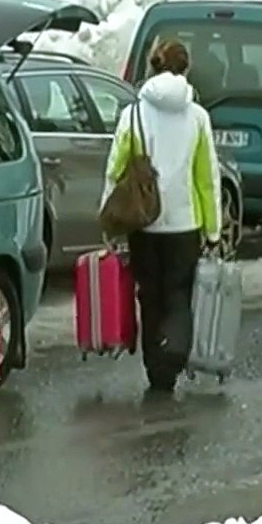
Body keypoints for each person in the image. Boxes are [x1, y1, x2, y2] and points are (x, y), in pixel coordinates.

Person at [102, 39, 220, 396]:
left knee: (149, 295)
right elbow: (207, 178)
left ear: (152, 67)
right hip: (185, 224)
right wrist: (213, 230)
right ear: (186, 69)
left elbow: (115, 169)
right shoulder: (198, 117)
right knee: (178, 294)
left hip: (144, 223)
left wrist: (109, 219)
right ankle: (175, 352)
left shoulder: (133, 114)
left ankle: (156, 369)